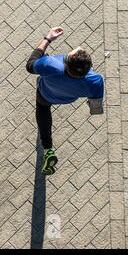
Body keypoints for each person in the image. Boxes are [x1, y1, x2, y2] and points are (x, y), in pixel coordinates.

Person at [26, 27, 104, 175]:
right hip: (68, 98)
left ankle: (48, 149)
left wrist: (48, 39)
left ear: (66, 62)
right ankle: (47, 150)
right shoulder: (95, 80)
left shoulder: (49, 64)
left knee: (42, 111)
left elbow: (30, 65)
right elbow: (96, 108)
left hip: (46, 94)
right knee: (44, 110)